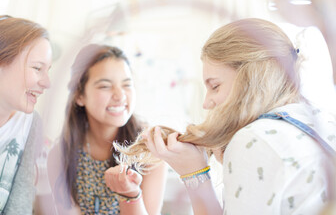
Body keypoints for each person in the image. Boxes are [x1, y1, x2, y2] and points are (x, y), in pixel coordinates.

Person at [115, 18, 336, 214]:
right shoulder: (321, 119)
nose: (206, 102)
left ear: (250, 79)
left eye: (215, 86)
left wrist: (194, 174)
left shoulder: (255, 139)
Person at [47, 44, 167, 215]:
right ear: (79, 95)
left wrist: (130, 194)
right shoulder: (60, 155)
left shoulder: (151, 149)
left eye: (127, 84)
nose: (120, 95)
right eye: (105, 86)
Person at [0, 15, 52, 214]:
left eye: (48, 71)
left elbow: (20, 202)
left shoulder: (31, 123)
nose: (47, 83)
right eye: (37, 68)